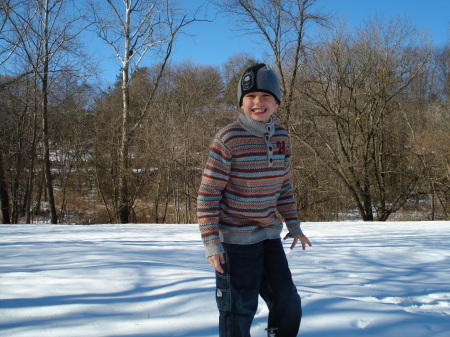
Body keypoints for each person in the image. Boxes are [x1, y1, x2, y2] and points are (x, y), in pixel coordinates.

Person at [197, 63, 312, 337]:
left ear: (276, 101)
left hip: (268, 236)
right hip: (234, 241)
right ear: (241, 102)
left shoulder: (282, 137)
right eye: (250, 97)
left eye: (265, 96)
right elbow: (208, 194)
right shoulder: (228, 138)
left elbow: (283, 186)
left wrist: (294, 225)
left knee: (287, 299)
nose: (257, 102)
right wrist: (212, 243)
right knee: (239, 308)